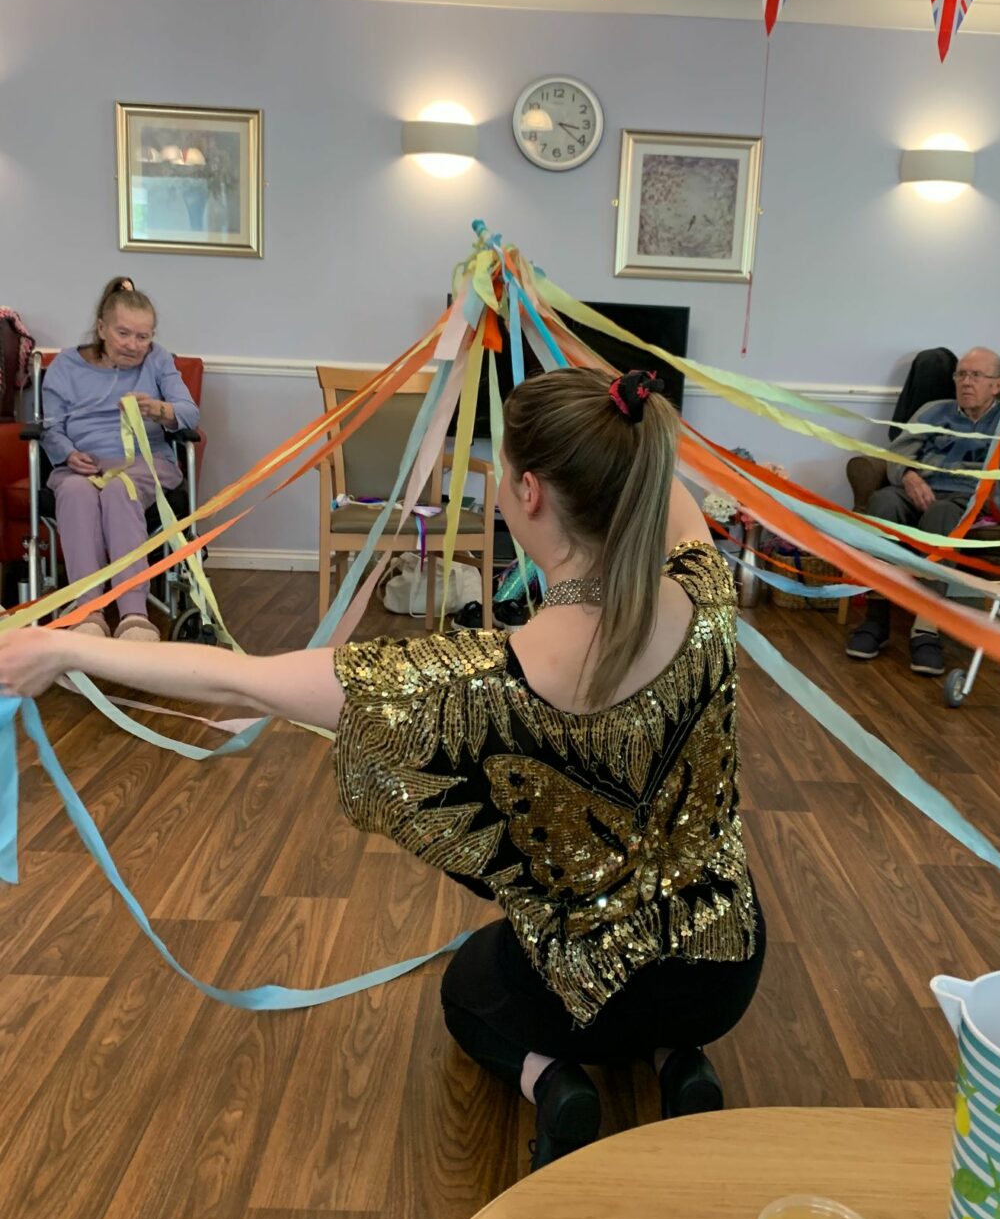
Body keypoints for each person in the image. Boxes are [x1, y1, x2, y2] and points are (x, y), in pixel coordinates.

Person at [0, 367, 765, 1170]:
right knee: (659, 982)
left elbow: (242, 678)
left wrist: (62, 648)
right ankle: (679, 1061)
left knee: (470, 990)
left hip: (585, 999)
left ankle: (556, 1083)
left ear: (529, 493)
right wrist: (618, 416)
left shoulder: (466, 683)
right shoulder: (707, 591)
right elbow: (657, 473)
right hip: (727, 973)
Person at [847, 348, 1000, 676]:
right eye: (961, 374)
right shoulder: (932, 411)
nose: (966, 382)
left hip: (972, 500)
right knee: (883, 502)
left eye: (976, 375)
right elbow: (896, 455)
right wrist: (908, 475)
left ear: (998, 385)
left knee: (940, 515)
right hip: (920, 490)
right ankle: (876, 619)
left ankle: (926, 628)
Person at [40, 280, 199, 641]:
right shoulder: (66, 365)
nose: (133, 345)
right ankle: (88, 612)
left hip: (145, 463)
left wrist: (159, 409)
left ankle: (134, 614)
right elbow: (50, 428)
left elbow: (190, 413)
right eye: (123, 333)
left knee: (119, 488)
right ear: (102, 328)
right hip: (81, 465)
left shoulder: (157, 360)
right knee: (76, 493)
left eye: (143, 336)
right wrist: (69, 454)